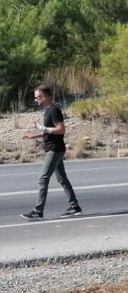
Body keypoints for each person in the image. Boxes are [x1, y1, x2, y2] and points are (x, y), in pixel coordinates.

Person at [21, 85, 82, 219]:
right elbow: (50, 131)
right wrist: (35, 135)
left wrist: (42, 127)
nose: (35, 100)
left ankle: (38, 210)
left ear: (44, 97)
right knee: (62, 180)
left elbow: (60, 130)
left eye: (37, 97)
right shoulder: (48, 111)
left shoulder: (54, 110)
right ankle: (75, 206)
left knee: (43, 179)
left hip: (54, 150)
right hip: (54, 148)